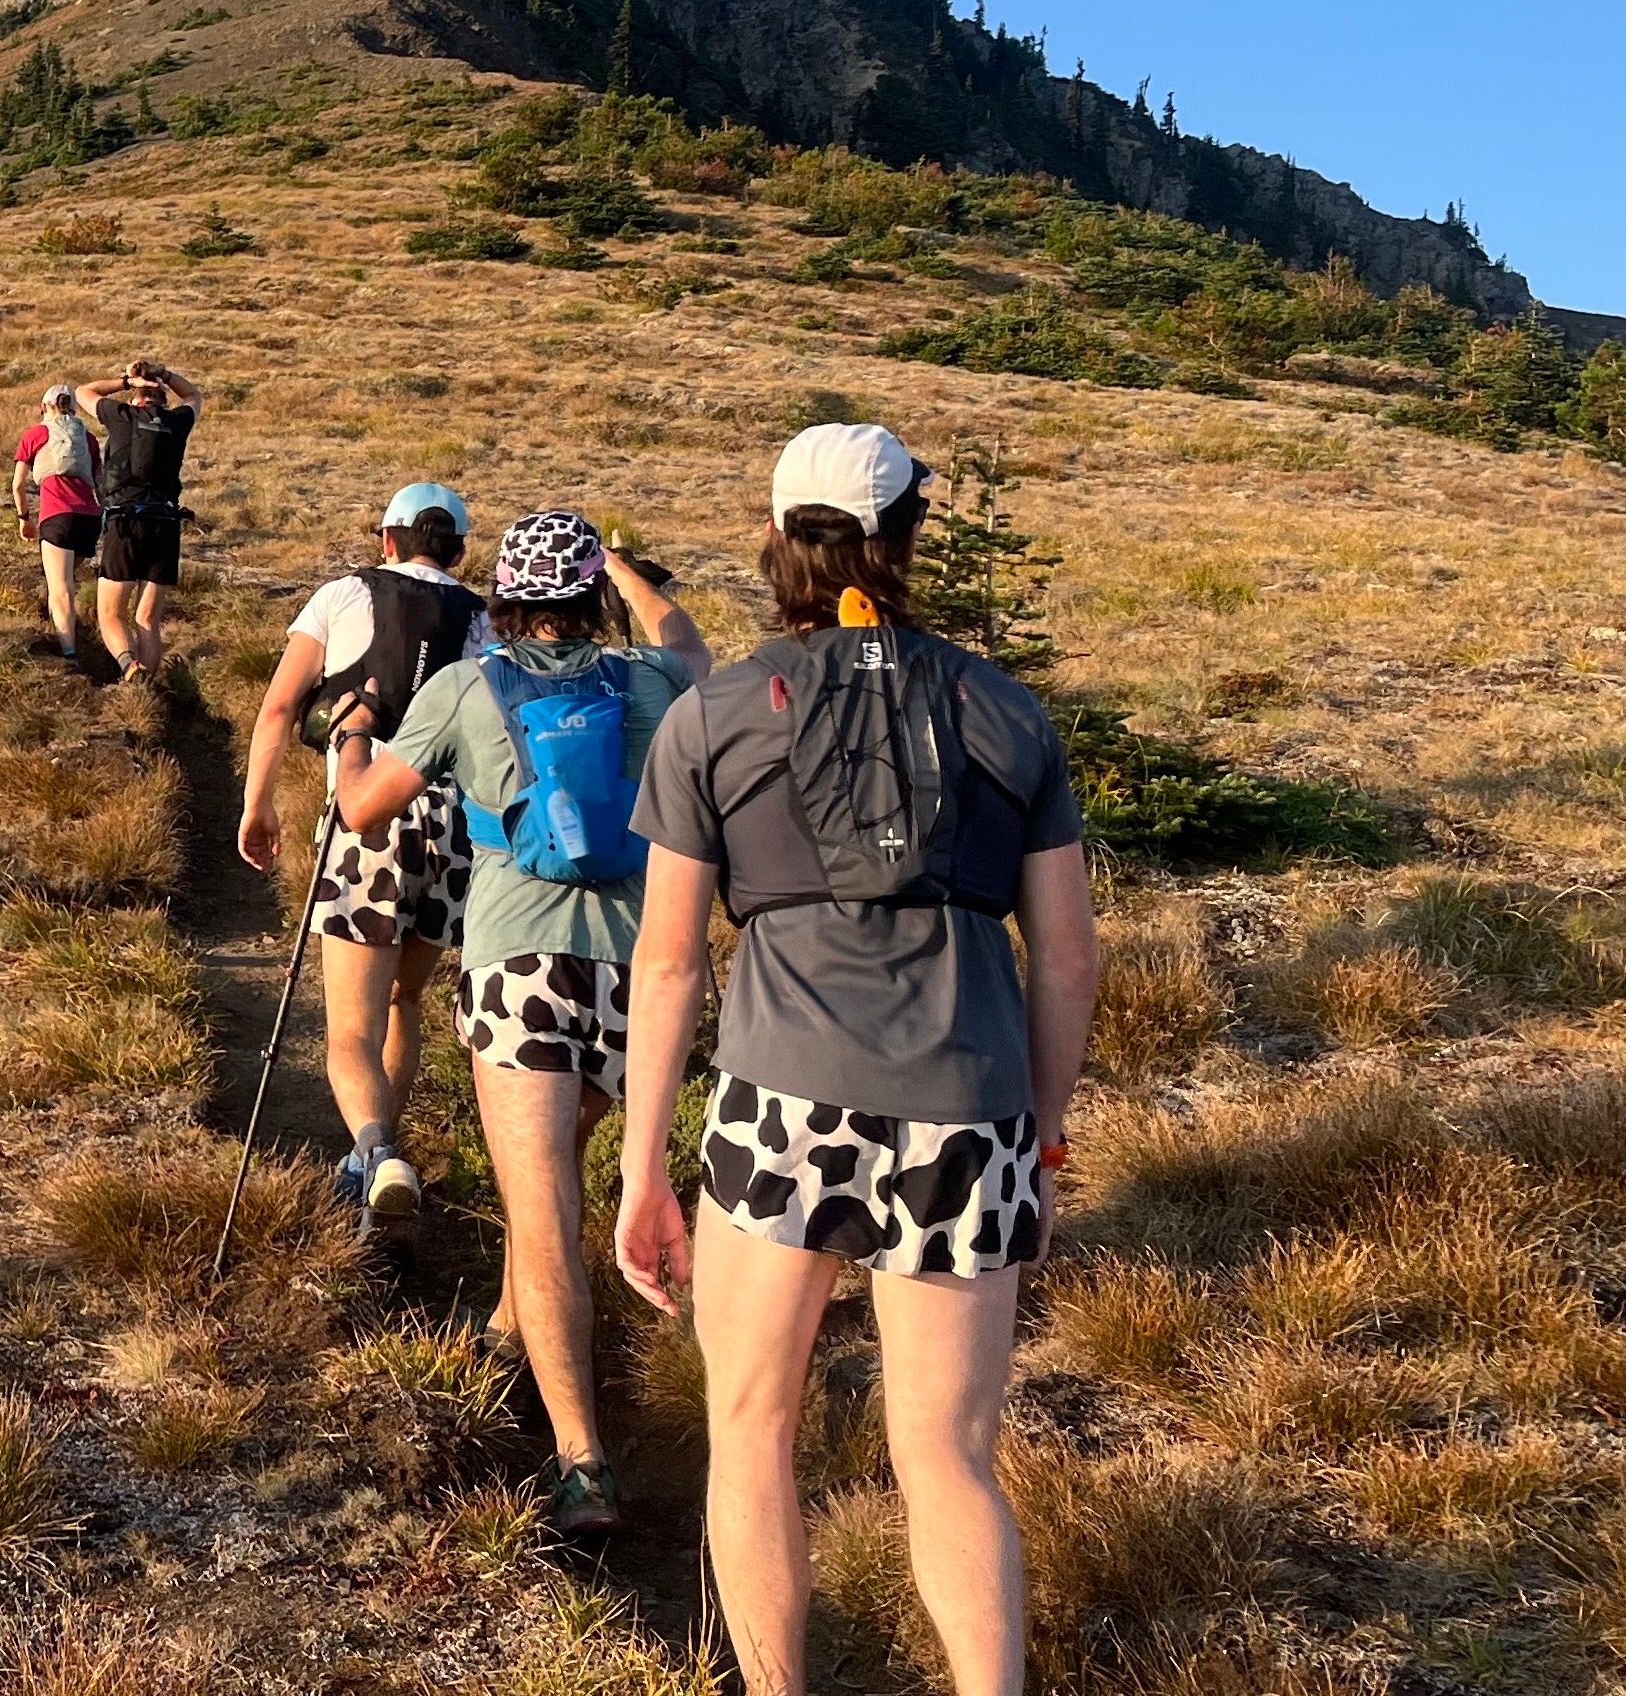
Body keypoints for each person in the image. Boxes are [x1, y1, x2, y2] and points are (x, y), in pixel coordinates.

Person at [612, 424, 1098, 1696]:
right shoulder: (1008, 710)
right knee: (946, 1454)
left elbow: (668, 963)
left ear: (777, 539)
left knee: (752, 1427)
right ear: (911, 537)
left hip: (780, 1106)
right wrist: (1038, 1144)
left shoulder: (715, 713)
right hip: (967, 1111)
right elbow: (1064, 961)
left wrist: (641, 1168)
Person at [326, 508, 711, 1543]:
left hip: (518, 966)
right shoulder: (652, 682)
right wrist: (631, 570)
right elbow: (691, 644)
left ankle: (583, 1461)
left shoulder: (465, 688)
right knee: (579, 1176)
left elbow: (365, 809)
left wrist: (352, 732)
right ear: (590, 591)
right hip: (643, 968)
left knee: (540, 1212)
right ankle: (509, 1329)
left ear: (506, 596)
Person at [241, 483, 489, 1244]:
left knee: (347, 1025)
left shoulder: (343, 594)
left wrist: (258, 804)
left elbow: (283, 705)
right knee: (402, 1004)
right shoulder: (482, 618)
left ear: (387, 540)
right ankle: (380, 1154)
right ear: (459, 551)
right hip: (449, 827)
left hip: (365, 815)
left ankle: (374, 1151)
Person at [92, 362, 201, 684]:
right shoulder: (178, 421)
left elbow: (84, 392)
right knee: (148, 619)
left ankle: (128, 665)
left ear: (135, 400)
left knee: (111, 613)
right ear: (163, 401)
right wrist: (165, 375)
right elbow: (194, 394)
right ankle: (147, 688)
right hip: (166, 525)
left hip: (126, 523)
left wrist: (126, 380)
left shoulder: (121, 417)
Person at [7, 385, 103, 659]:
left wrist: (24, 518)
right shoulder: (89, 438)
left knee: (60, 589)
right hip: (89, 519)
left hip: (56, 516)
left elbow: (18, 485)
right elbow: (101, 483)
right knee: (67, 578)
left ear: (45, 406)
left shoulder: (36, 434)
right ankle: (75, 632)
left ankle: (69, 652)